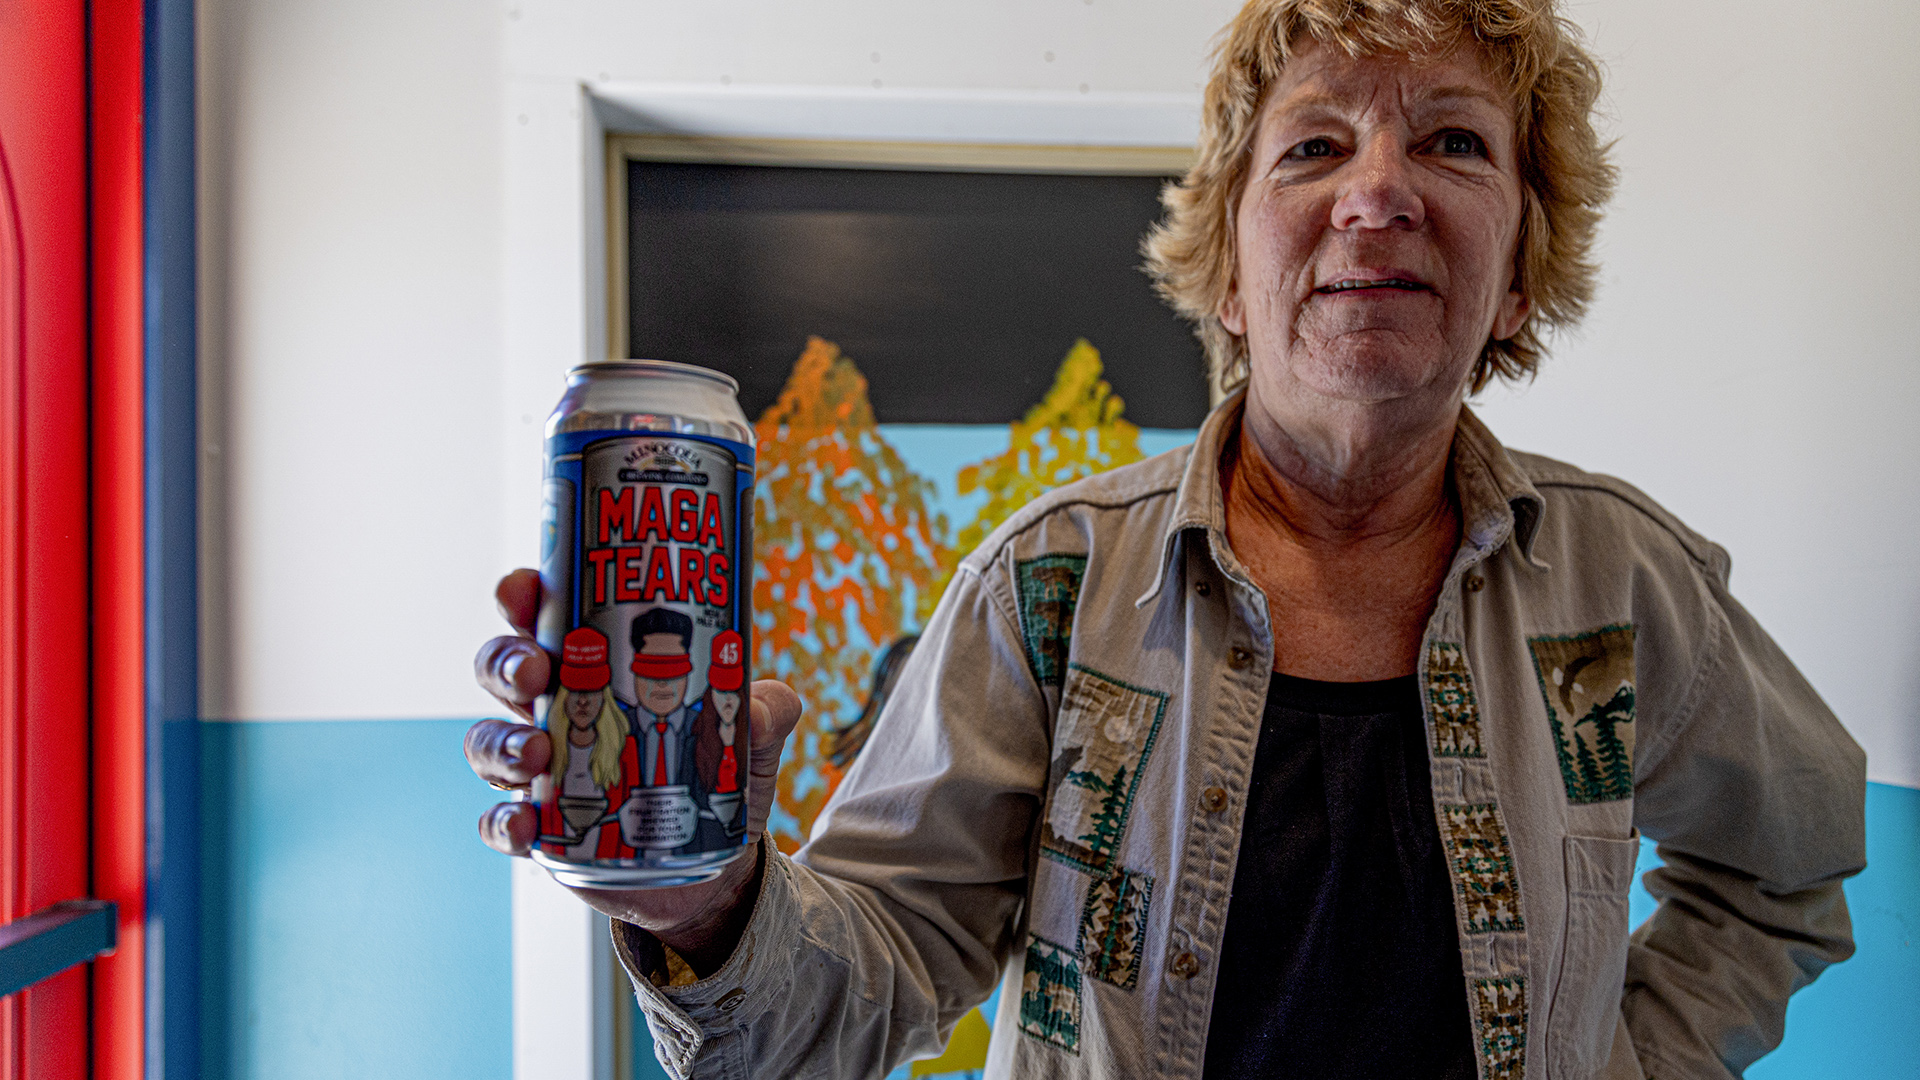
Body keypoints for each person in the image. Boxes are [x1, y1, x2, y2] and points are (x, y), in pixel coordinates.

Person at [465, 1, 1867, 1077]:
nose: (1378, 192)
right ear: (1231, 279)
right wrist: (712, 906)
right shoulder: (1051, 585)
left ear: (1517, 278)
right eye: (1315, 145)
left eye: (1452, 140)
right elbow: (862, 986)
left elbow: (1786, 870)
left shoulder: (1629, 585)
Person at [537, 626, 630, 859]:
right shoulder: (547, 745)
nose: (583, 702)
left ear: (604, 698)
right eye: (575, 690)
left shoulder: (625, 751)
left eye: (592, 691)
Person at [691, 630, 749, 848]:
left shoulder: (746, 737)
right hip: (703, 834)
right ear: (710, 694)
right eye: (721, 692)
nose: (728, 701)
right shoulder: (695, 739)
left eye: (733, 693)